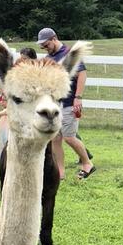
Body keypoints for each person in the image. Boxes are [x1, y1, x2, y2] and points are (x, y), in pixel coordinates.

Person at [37, 28, 95, 180]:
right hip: (56, 104)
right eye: (42, 46)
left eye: (46, 44)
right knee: (56, 139)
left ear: (54, 38)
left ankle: (87, 163)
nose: (44, 47)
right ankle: (60, 172)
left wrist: (78, 97)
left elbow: (82, 74)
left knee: (69, 137)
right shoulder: (48, 58)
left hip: (70, 102)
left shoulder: (69, 54)